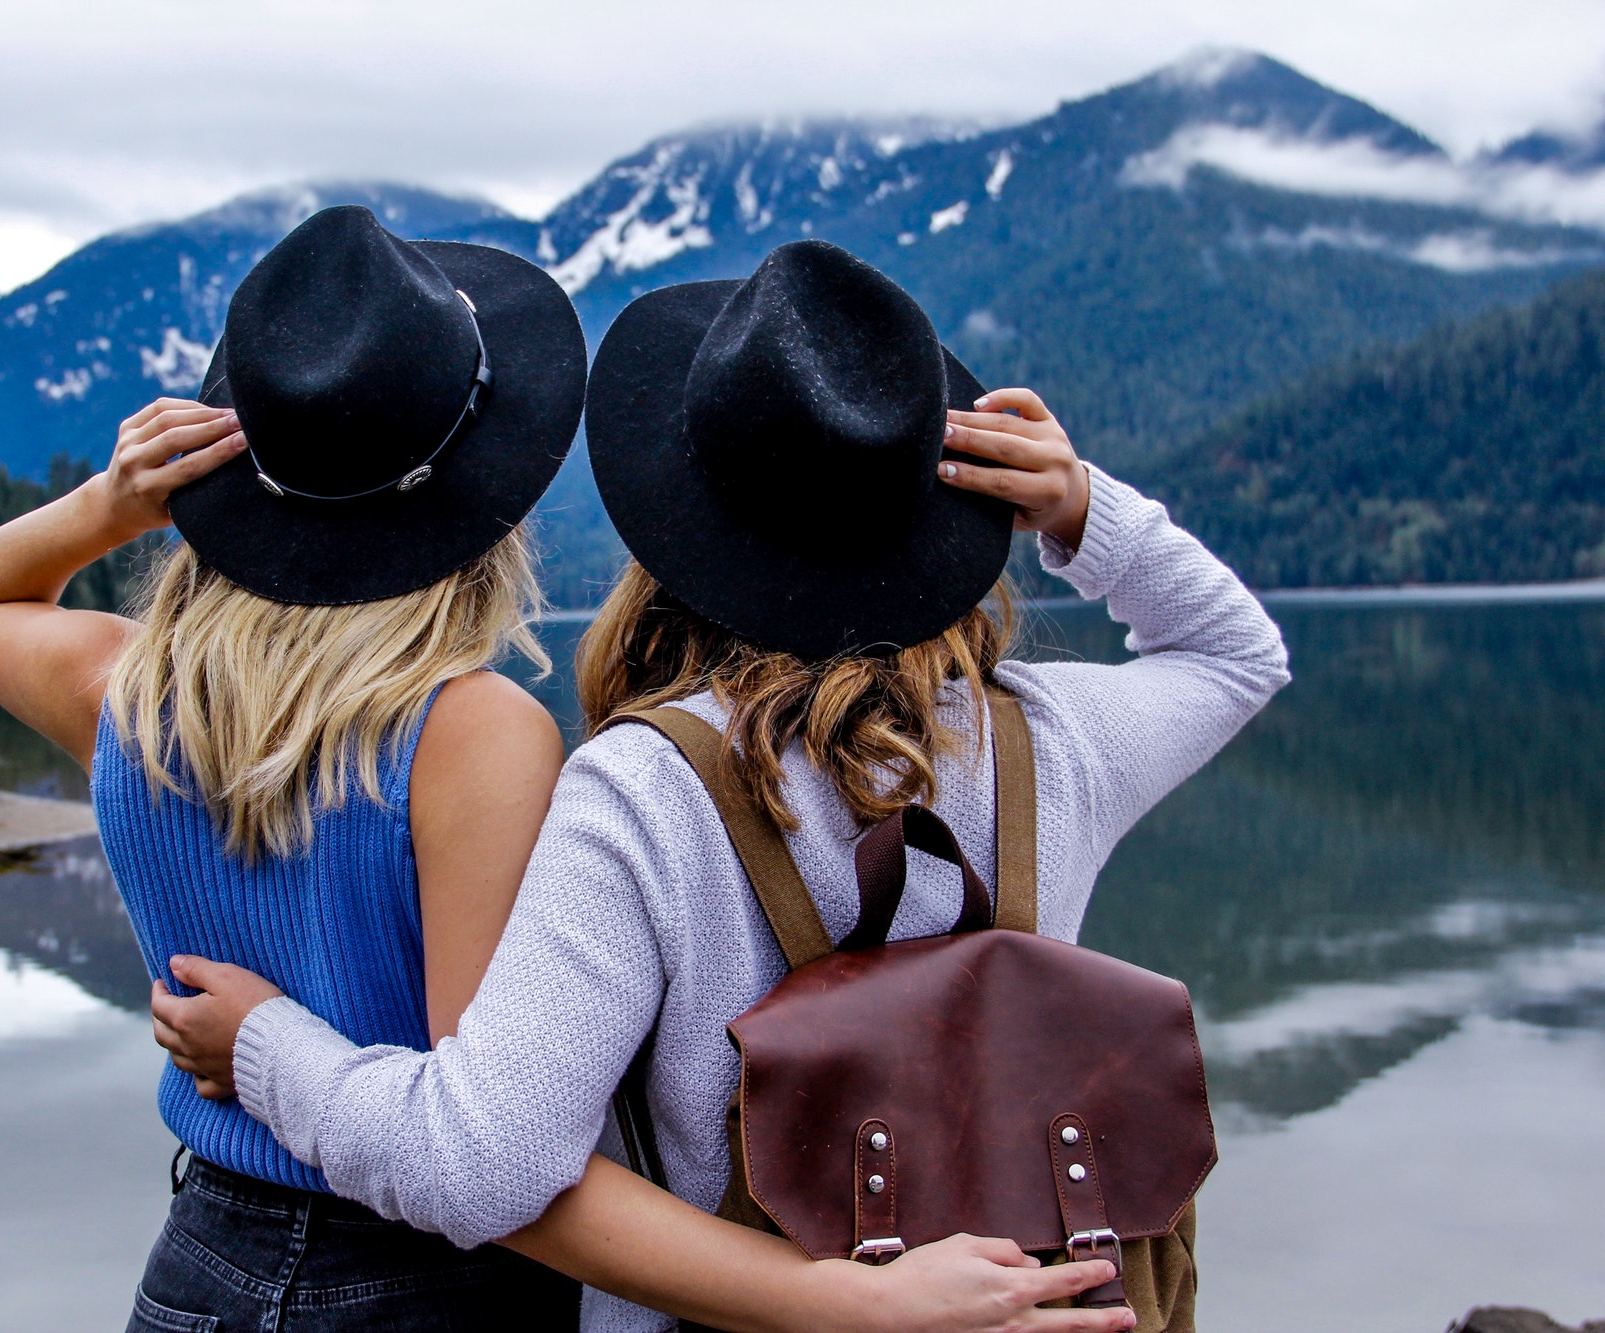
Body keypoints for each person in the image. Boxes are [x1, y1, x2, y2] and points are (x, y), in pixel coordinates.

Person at [0, 212, 1121, 1333]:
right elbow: (491, 1164)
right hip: (429, 1284)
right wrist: (839, 1300)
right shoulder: (470, 734)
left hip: (202, 1256)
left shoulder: (129, 694)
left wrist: (114, 504)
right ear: (480, 502)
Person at [154, 240, 1292, 1331]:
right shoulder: (1053, 739)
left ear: (678, 522)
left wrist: (267, 1047)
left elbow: (478, 1168)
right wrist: (1080, 504)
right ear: (932, 509)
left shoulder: (643, 790)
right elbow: (1236, 654)